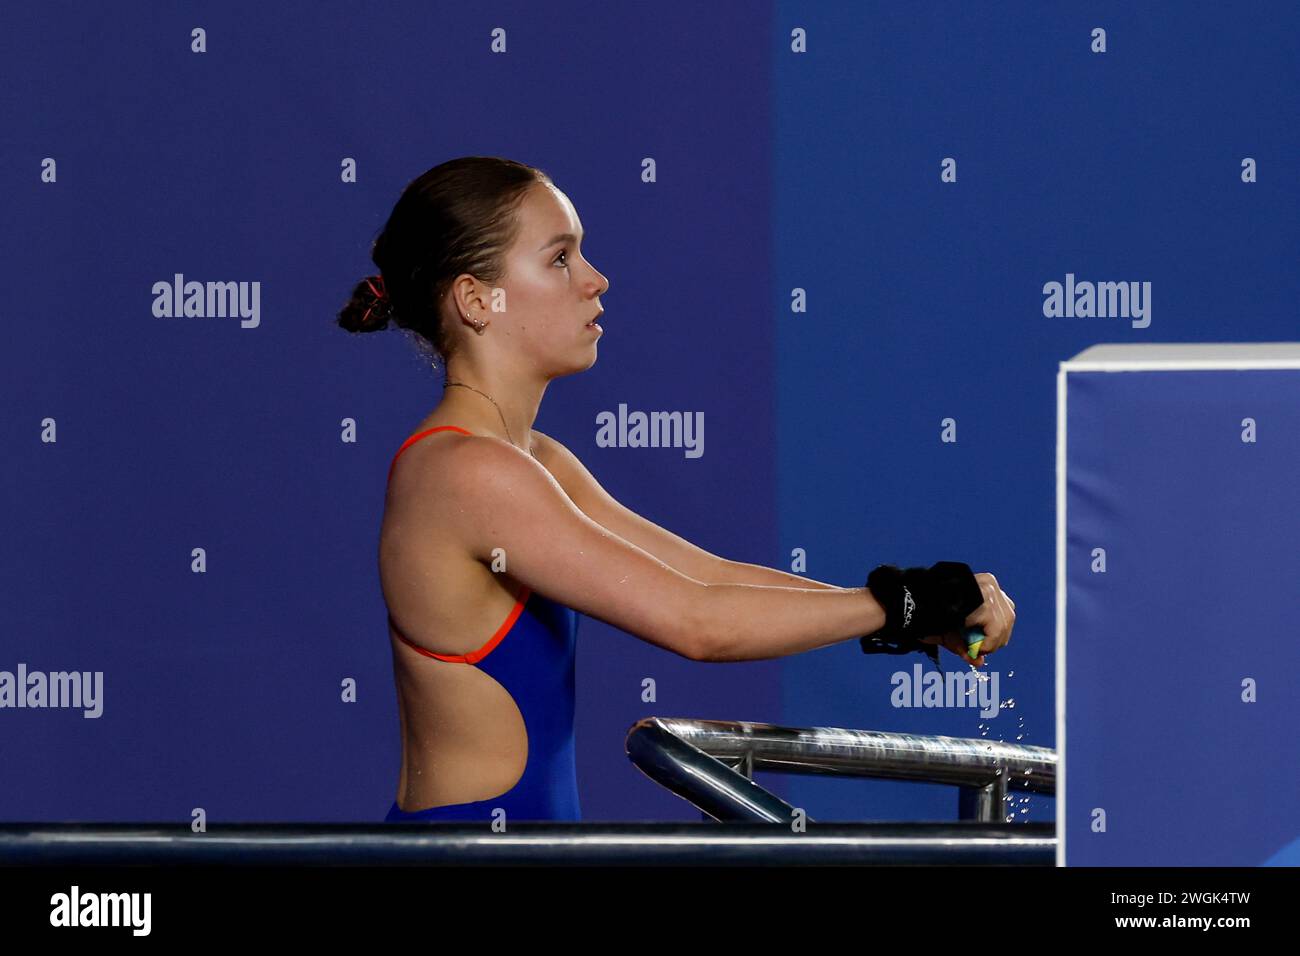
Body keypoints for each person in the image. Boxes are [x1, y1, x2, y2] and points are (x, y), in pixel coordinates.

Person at [337, 156, 1017, 822]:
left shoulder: (535, 459)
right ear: (477, 299)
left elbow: (708, 577)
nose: (597, 280)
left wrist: (908, 610)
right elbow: (698, 623)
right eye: (560, 259)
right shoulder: (466, 472)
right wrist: (897, 604)